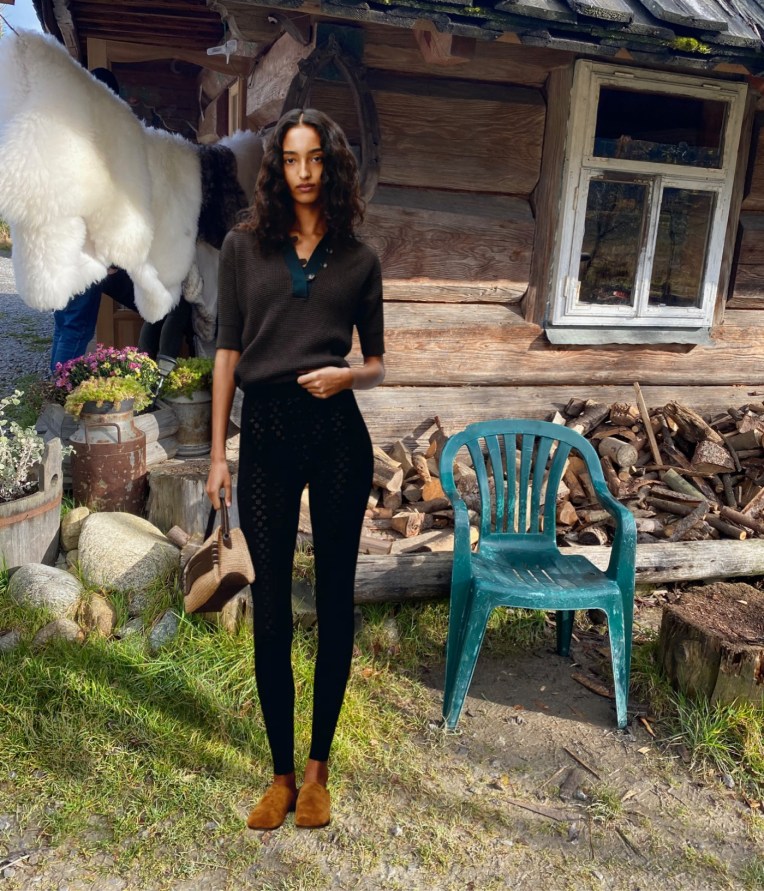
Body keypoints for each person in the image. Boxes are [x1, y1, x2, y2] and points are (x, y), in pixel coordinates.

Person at [205, 108, 385, 831]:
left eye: (315, 159)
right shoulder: (242, 248)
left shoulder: (359, 258)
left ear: (332, 165)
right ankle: (279, 774)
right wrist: (216, 454)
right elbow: (226, 352)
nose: (303, 172)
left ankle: (317, 773)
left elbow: (377, 362)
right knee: (272, 606)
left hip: (338, 434)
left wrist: (349, 377)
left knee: (335, 601)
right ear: (275, 167)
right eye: (290, 159)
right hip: (269, 433)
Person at [48, 68, 139, 374]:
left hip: (62, 242)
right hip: (83, 249)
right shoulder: (101, 139)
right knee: (76, 328)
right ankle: (59, 394)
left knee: (65, 324)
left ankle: (52, 390)